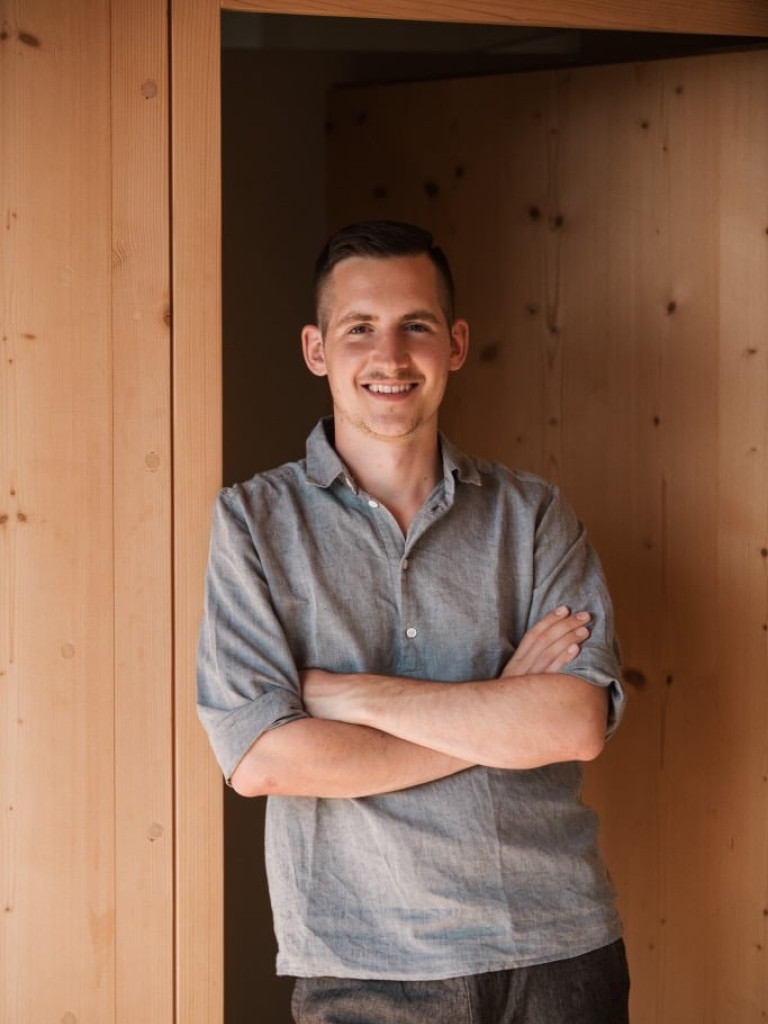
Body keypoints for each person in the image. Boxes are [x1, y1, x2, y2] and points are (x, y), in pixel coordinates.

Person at [197, 220, 629, 1023]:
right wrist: (498, 710)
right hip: (363, 964)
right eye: (360, 328)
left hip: (557, 947)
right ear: (317, 350)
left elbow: (573, 723)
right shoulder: (253, 522)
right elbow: (262, 759)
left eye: (416, 326)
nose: (390, 356)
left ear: (456, 344)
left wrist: (350, 695)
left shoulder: (533, 514)